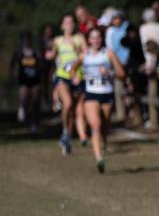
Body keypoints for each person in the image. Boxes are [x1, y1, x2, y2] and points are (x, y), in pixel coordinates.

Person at [71, 26, 126, 173]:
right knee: (95, 125)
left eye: (98, 37)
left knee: (105, 128)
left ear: (102, 39)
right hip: (91, 95)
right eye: (93, 37)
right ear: (88, 40)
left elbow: (121, 73)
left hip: (106, 94)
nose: (96, 40)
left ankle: (103, 145)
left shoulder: (109, 54)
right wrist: (75, 77)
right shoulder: (84, 55)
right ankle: (99, 159)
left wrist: (109, 73)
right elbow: (73, 69)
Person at [46, 14, 88, 155]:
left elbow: (86, 54)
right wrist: (49, 55)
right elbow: (53, 55)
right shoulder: (57, 40)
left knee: (73, 111)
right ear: (62, 25)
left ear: (74, 25)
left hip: (77, 77)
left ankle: (67, 139)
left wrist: (78, 51)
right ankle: (65, 131)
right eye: (66, 22)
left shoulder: (79, 38)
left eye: (71, 22)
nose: (69, 24)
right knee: (68, 104)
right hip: (62, 76)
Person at [10, 31, 43, 131]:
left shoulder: (36, 52)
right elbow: (12, 65)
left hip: (35, 80)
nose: (26, 41)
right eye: (24, 39)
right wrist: (12, 76)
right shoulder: (18, 52)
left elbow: (41, 64)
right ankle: (22, 110)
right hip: (23, 80)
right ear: (22, 40)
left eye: (28, 39)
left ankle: (35, 122)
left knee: (35, 101)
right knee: (24, 98)